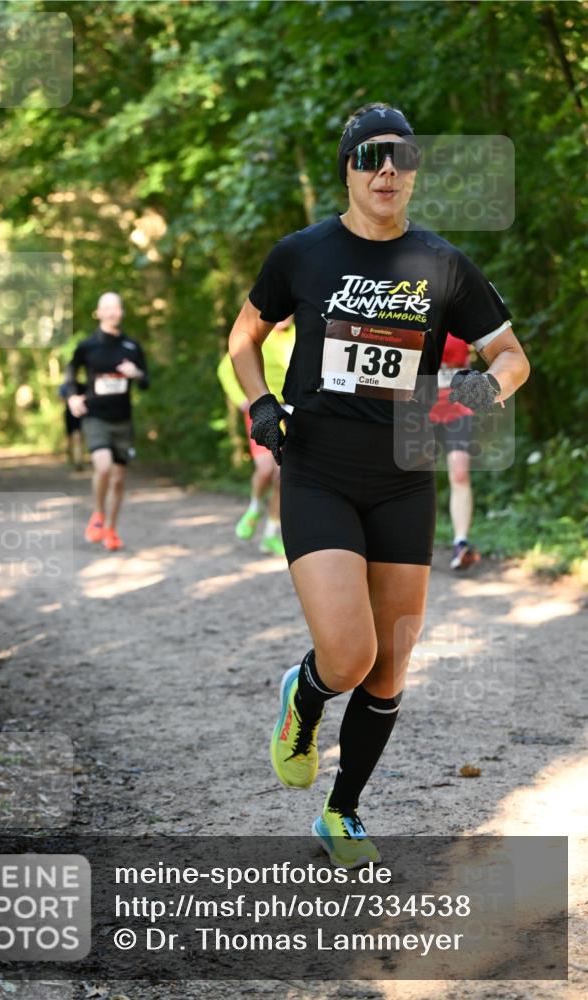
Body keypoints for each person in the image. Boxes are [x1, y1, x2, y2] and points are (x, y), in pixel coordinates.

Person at [228, 102, 529, 867]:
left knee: (390, 664)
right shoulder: (301, 253)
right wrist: (260, 402)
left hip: (403, 479)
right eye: (369, 157)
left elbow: (510, 359)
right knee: (349, 654)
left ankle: (343, 811)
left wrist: (462, 401)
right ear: (349, 169)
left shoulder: (442, 264)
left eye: (399, 156)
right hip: (319, 471)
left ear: (414, 169)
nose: (386, 169)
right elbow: (243, 337)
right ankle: (304, 693)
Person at [65, 292, 150, 551]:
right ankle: (98, 515)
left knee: (119, 479)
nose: (112, 312)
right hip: (95, 416)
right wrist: (71, 397)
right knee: (103, 467)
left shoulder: (132, 347)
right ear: (98, 313)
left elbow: (146, 382)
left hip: (122, 419)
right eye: (107, 308)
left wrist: (136, 373)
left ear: (122, 312)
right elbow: (70, 374)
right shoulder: (87, 346)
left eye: (116, 308)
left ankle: (111, 529)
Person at [217, 317, 295, 556]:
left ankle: (271, 532)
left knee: (283, 474)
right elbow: (225, 368)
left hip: (292, 409)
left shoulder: (299, 335)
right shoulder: (258, 333)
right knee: (265, 470)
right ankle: (254, 507)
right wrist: (241, 398)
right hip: (262, 407)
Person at [430, 332, 481, 570]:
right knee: (415, 476)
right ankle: (410, 544)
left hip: (457, 408)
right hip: (420, 406)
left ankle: (461, 543)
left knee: (460, 473)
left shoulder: (461, 314)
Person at [59, 380, 86, 471]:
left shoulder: (80, 385)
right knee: (72, 438)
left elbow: (60, 399)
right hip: (71, 415)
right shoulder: (64, 386)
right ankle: (72, 457)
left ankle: (78, 460)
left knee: (77, 438)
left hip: (79, 415)